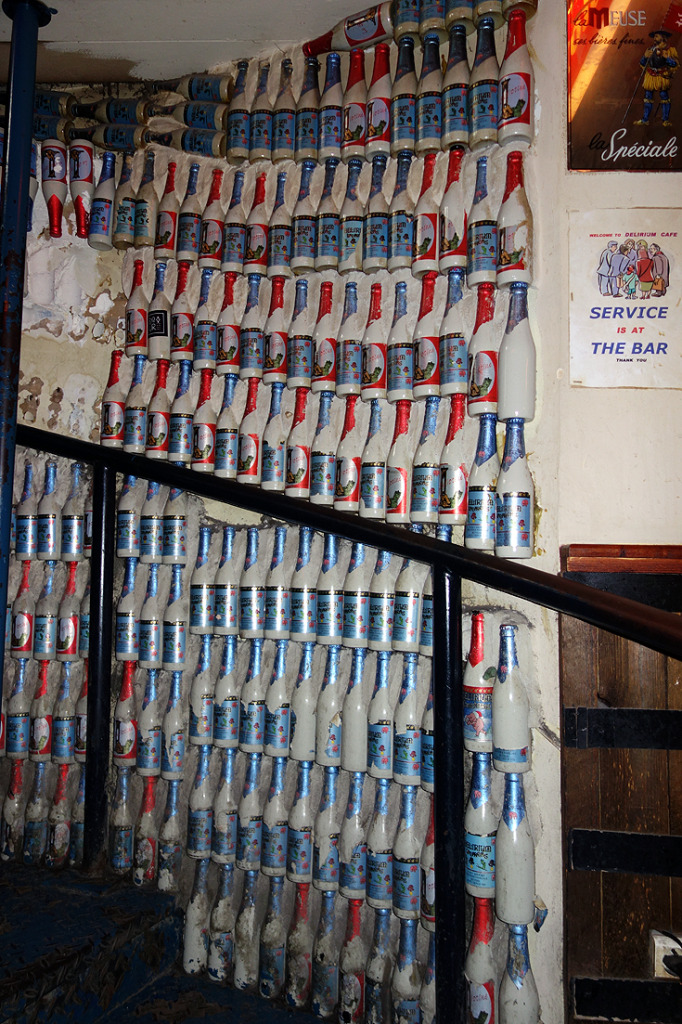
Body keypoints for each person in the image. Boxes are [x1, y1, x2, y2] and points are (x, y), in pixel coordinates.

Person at [634, 30, 679, 127]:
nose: (655, 38)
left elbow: (674, 64)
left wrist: (667, 57)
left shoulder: (670, 50)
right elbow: (642, 63)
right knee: (648, 98)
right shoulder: (650, 49)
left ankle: (665, 120)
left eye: (657, 36)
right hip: (650, 76)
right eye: (654, 36)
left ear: (663, 38)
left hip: (662, 76)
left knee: (664, 97)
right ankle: (645, 119)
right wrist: (645, 57)